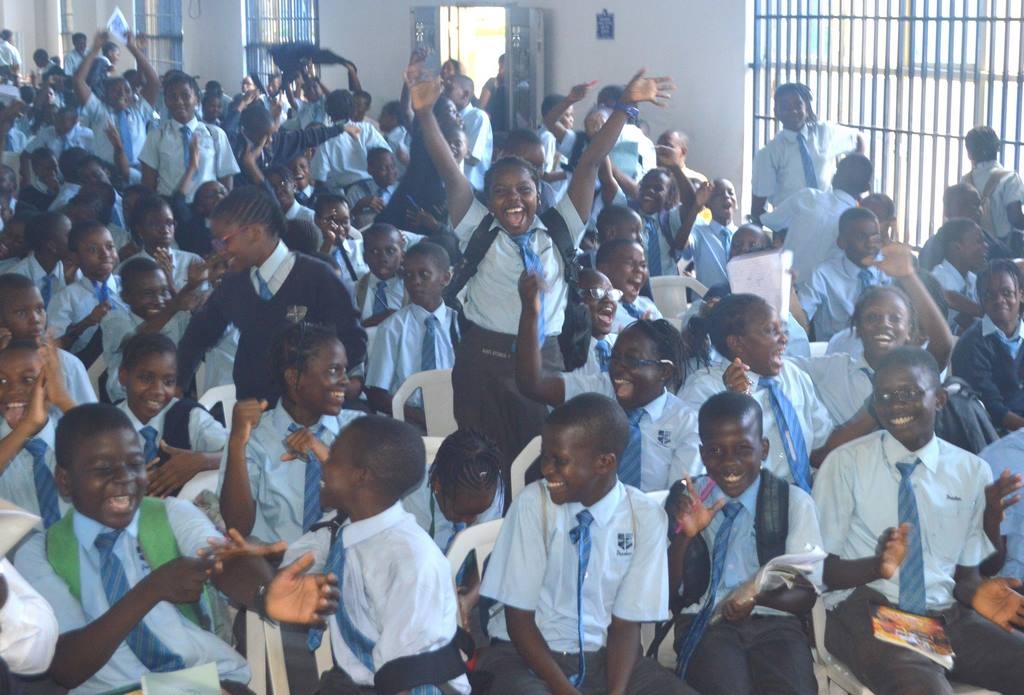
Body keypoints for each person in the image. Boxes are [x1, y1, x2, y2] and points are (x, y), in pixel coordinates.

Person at [413, 64, 673, 470]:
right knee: (482, 464)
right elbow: (449, 170)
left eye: (524, 190)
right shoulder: (477, 228)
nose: (513, 199)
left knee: (542, 462)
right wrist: (425, 114)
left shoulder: (560, 228)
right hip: (483, 359)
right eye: (501, 192)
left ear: (539, 192)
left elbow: (590, 162)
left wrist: (624, 105)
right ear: (488, 199)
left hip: (544, 359)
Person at [12, 402, 338, 694]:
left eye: (135, 463)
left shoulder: (171, 514)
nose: (125, 478)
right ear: (65, 481)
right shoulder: (40, 552)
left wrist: (265, 593)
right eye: (103, 469)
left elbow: (222, 561)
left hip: (199, 681)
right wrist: (152, 589)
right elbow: (66, 668)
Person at [814, 346, 1024, 695]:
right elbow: (820, 571)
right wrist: (877, 566)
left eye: (908, 393)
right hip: (872, 609)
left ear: (939, 399)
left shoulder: (971, 470)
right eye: (884, 396)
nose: (895, 405)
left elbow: (968, 576)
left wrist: (989, 521)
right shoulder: (845, 464)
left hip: (947, 614)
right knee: (923, 688)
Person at [476, 393, 692, 694]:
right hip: (526, 654)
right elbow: (519, 620)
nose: (546, 469)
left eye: (559, 461)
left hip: (605, 658)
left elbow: (625, 625)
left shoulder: (644, 517)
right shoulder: (533, 504)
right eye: (545, 456)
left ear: (604, 463)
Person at [282, 415, 471, 693]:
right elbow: (289, 572)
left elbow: (407, 677)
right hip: (358, 679)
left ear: (361, 476)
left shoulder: (410, 561)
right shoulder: (348, 530)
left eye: (334, 458)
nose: (323, 463)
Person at [667, 391, 821, 694]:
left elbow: (805, 595)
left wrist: (756, 598)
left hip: (777, 623)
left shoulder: (792, 503)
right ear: (702, 453)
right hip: (705, 623)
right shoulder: (687, 500)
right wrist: (685, 536)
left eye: (743, 449)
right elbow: (666, 592)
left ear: (763, 449)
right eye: (715, 451)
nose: (729, 463)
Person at [175, 186, 366, 402]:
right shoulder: (235, 283)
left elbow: (354, 341)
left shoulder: (317, 278)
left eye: (224, 241)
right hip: (252, 407)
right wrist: (177, 385)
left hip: (306, 408)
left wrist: (315, 380)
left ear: (254, 233)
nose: (219, 251)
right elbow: (199, 335)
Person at [516, 271, 701, 490]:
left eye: (632, 360)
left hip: (655, 510)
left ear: (665, 371)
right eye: (615, 357)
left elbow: (681, 497)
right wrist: (531, 311)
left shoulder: (685, 423)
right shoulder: (600, 389)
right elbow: (533, 384)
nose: (618, 368)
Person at [219, 321, 363, 544]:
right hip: (275, 559)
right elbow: (237, 528)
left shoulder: (357, 430)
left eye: (345, 369)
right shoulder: (255, 436)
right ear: (294, 378)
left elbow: (372, 507)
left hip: (342, 559)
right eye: (334, 370)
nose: (345, 381)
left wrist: (324, 454)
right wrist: (237, 443)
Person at [790, 243, 954, 426]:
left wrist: (908, 276)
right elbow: (785, 366)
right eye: (873, 317)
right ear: (857, 328)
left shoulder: (917, 371)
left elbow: (943, 345)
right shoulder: (834, 368)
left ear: (909, 330)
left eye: (895, 318)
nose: (884, 324)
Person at [681, 293, 834, 487]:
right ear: (736, 343)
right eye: (771, 331)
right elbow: (700, 471)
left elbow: (821, 444)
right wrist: (736, 403)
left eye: (782, 329)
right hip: (750, 497)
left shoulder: (793, 375)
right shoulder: (704, 390)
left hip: (806, 491)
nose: (784, 339)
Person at [114, 333, 225, 497]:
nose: (158, 391)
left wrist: (201, 460)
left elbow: (242, 453)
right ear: (123, 376)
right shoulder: (104, 426)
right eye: (146, 378)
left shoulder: (189, 416)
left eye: (168, 382)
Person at [365, 241, 456, 420]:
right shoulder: (392, 328)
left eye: (424, 275)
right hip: (408, 419)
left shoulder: (459, 324)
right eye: (408, 275)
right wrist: (425, 419)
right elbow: (377, 394)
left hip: (454, 416)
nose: (415, 282)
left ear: (445, 278)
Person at [751, 82, 864, 219]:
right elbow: (758, 207)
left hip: (829, 217)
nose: (793, 111)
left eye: (798, 105)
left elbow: (858, 139)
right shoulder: (769, 154)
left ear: (807, 108)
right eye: (785, 107)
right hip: (793, 223)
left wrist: (854, 183)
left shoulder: (825, 133)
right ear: (776, 113)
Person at [760, 153, 873, 286]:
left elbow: (771, 222)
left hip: (785, 286)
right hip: (824, 293)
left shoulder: (807, 196)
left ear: (835, 176)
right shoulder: (858, 223)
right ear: (866, 188)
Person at [99, 257, 197, 403]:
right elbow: (137, 343)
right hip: (126, 400)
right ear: (125, 297)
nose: (159, 300)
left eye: (164, 291)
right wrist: (174, 305)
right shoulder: (114, 319)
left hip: (170, 396)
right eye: (148, 293)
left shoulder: (176, 318)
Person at [0, 341, 72, 526]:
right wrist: (28, 425)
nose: (13, 390)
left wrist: (63, 399)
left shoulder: (75, 434)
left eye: (28, 379)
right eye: (2, 381)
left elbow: (111, 448)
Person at [0, 274, 95, 412]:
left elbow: (90, 417)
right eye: (21, 313)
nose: (36, 319)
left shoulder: (67, 363)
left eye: (39, 309)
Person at [139, 72, 239, 202]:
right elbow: (148, 183)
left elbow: (226, 177)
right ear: (166, 101)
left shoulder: (215, 134)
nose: (179, 102)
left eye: (185, 96)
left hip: (208, 206)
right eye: (172, 97)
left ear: (197, 99)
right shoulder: (157, 136)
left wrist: (224, 208)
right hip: (170, 205)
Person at [951, 259, 1024, 431]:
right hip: (997, 433)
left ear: (1021, 295)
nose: (999, 300)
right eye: (990, 295)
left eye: (1007, 292)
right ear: (981, 301)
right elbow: (993, 411)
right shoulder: (971, 345)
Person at [798, 207, 892, 341]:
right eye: (861, 237)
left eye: (875, 237)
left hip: (880, 346)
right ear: (842, 242)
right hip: (835, 348)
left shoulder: (887, 269)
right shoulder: (822, 275)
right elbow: (801, 319)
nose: (871, 244)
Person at [73, 31, 159, 175]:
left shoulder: (138, 111)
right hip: (109, 171)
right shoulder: (99, 111)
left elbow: (154, 81)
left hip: (140, 171)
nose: (122, 94)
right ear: (104, 96)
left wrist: (133, 48)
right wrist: (95, 48)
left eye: (127, 90)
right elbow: (78, 81)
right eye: (115, 91)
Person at [47, 221, 125, 361]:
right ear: (75, 257)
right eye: (93, 250)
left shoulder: (128, 286)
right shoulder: (65, 298)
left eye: (109, 247)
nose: (105, 254)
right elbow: (55, 348)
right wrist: (87, 322)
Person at [311, 89, 392, 194]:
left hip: (349, 193)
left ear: (328, 112)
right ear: (353, 109)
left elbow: (320, 177)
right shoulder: (367, 129)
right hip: (377, 186)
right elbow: (386, 154)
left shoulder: (325, 139)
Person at [123, 193, 205, 293]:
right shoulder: (129, 269)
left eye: (169, 223)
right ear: (139, 229)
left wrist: (171, 284)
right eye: (156, 224)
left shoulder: (193, 261)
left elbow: (204, 300)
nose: (165, 230)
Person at [961, 125, 1024, 249]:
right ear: (998, 147)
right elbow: (1015, 218)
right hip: (1005, 247)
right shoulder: (1010, 178)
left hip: (972, 247)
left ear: (969, 154)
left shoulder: (965, 181)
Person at [676, 177, 738, 288]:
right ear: (707, 204)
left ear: (736, 203)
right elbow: (680, 244)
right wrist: (697, 206)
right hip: (707, 297)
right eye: (718, 194)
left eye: (731, 193)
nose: (726, 196)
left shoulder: (743, 235)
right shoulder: (699, 232)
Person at [930, 217, 987, 333]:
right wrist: (987, 313)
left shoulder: (972, 279)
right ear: (956, 248)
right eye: (978, 241)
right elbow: (950, 297)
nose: (985, 246)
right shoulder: (938, 279)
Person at [8, 210, 75, 308]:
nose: (75, 239)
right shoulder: (15, 279)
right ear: (52, 246)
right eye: (69, 236)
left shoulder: (68, 270)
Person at [597, 238, 662, 333]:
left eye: (643, 265)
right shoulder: (603, 312)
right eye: (629, 263)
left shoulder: (647, 304)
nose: (639, 270)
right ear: (604, 270)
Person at [353, 222, 409, 327]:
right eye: (374, 251)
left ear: (402, 255)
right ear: (365, 257)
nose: (382, 258)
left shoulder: (412, 288)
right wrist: (371, 322)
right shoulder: (355, 290)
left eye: (390, 251)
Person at [446, 75, 492, 191]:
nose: (443, 93)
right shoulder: (444, 116)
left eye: (449, 88)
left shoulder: (478, 117)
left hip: (470, 189)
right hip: (448, 186)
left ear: (465, 94)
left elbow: (473, 159)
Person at [344, 147, 399, 228]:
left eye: (393, 166)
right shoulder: (356, 192)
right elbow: (345, 224)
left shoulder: (401, 189)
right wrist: (359, 206)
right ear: (370, 170)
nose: (390, 172)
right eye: (383, 168)